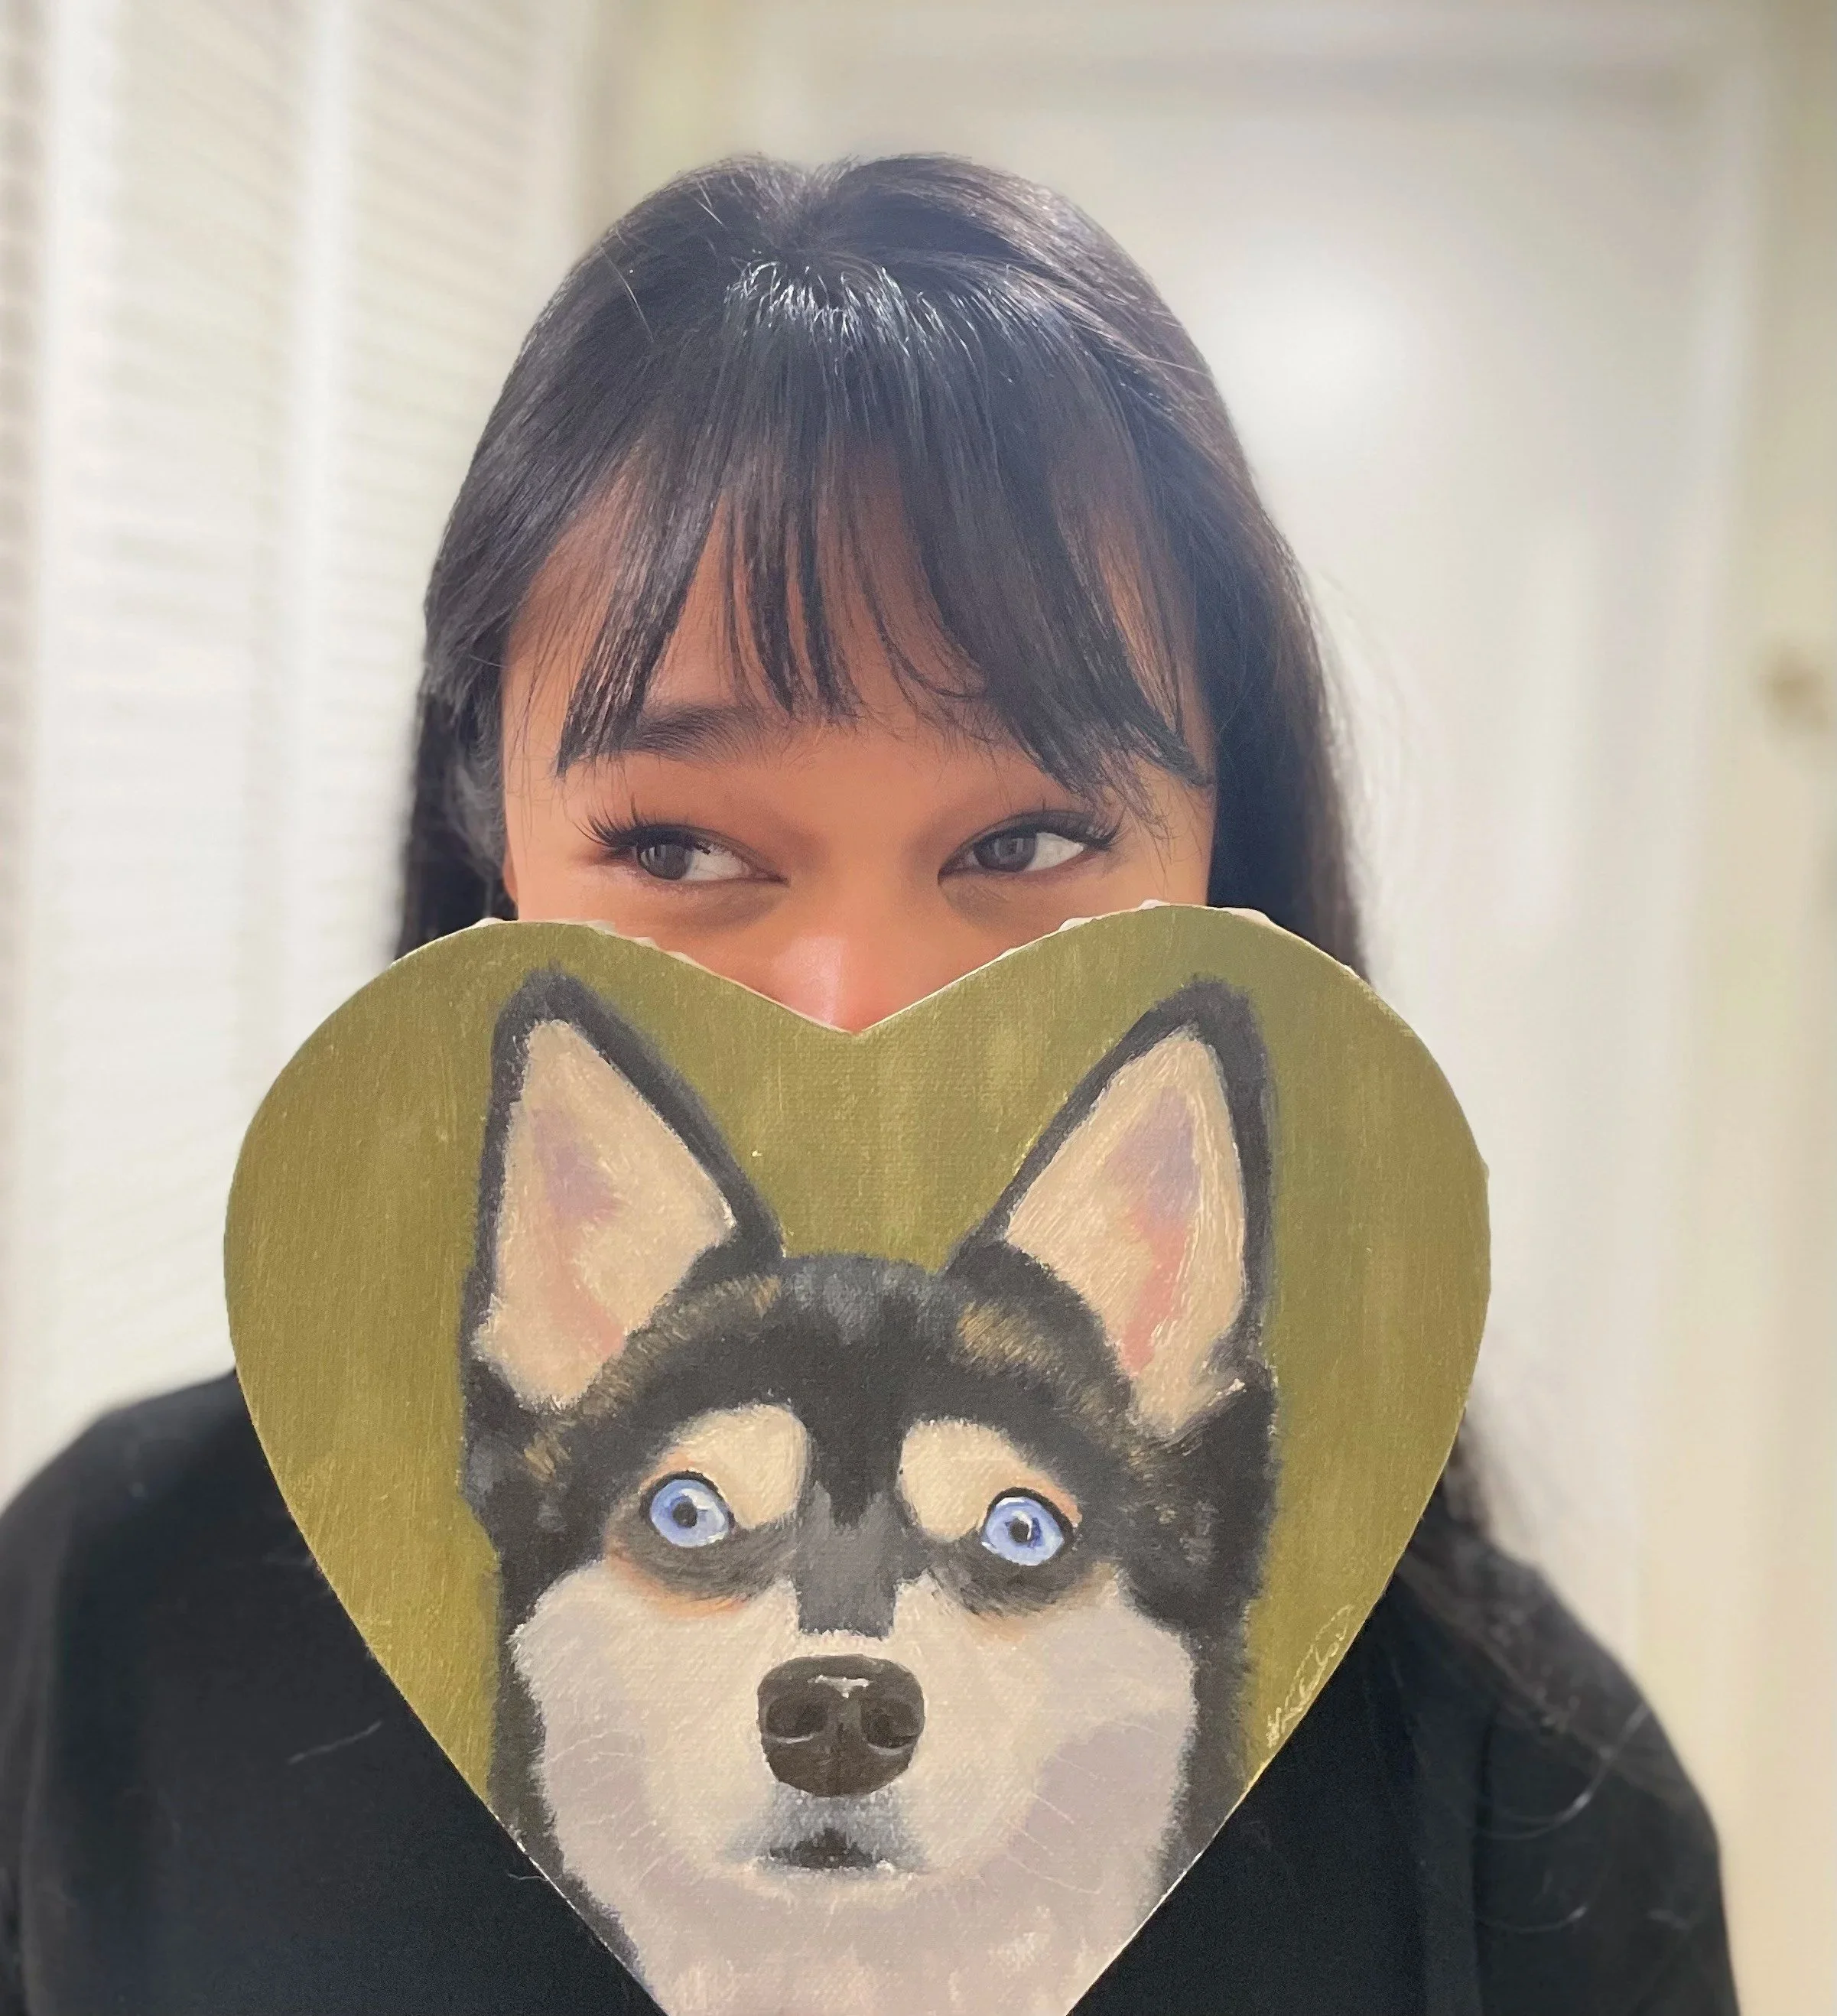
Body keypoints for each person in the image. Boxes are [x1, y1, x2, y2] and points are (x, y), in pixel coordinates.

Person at [0, 155, 1737, 2015]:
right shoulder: (109, 1602)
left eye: (1030, 839)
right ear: (491, 833)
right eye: (676, 844)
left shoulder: (1520, 1799)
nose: (855, 1001)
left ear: (1221, 863)